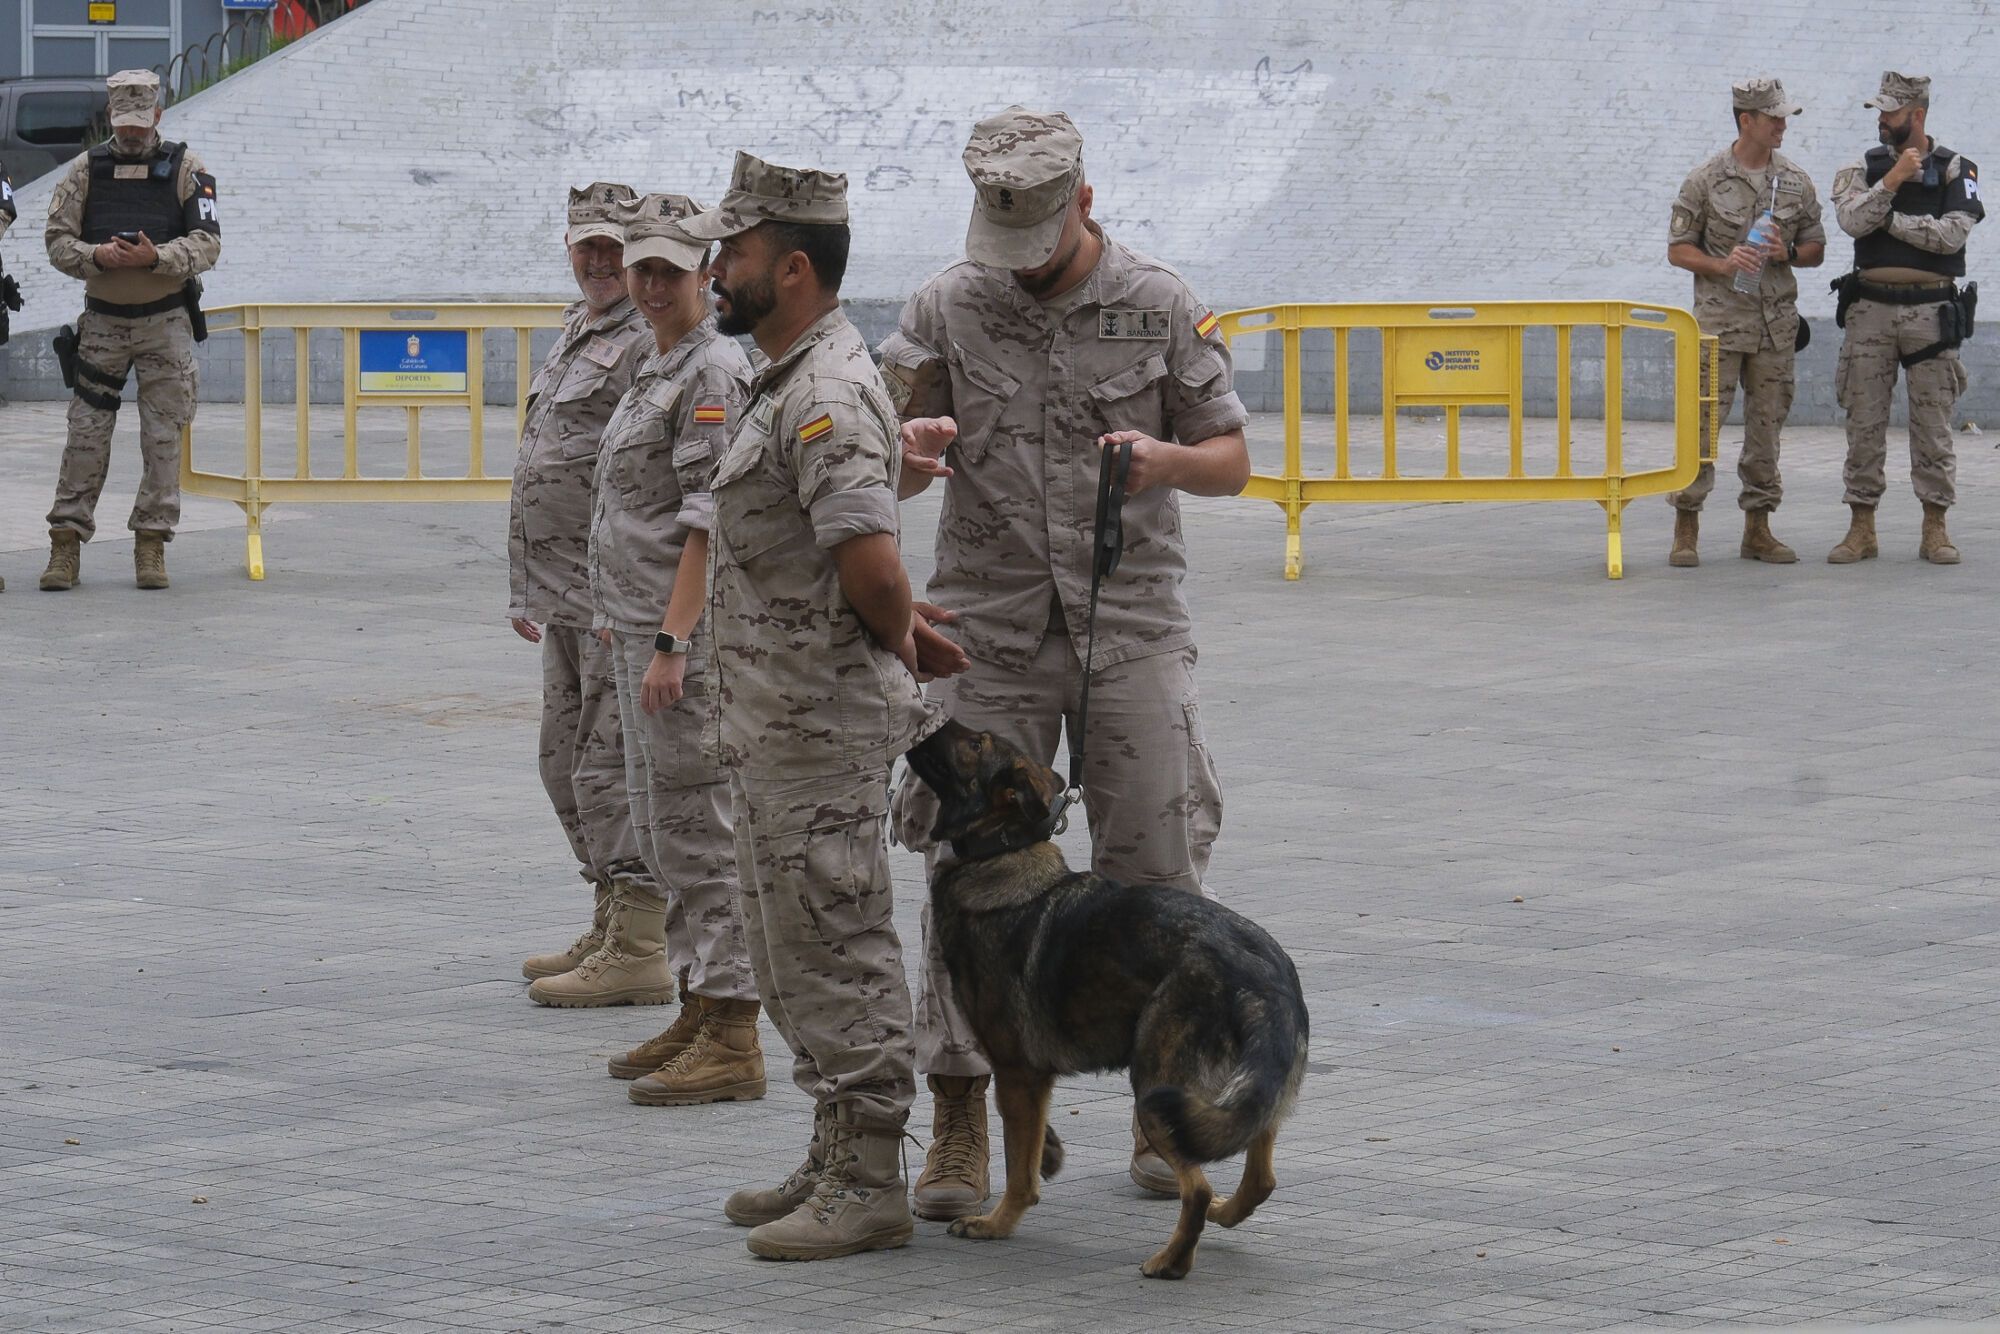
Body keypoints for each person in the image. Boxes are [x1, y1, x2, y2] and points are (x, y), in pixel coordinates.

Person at [877, 106, 1249, 1216]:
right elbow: (874, 473)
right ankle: (955, 1114)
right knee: (963, 879)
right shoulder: (944, 304)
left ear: (1083, 203)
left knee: (1152, 863)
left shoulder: (1157, 301)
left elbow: (1230, 459)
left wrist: (1166, 460)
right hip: (983, 628)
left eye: (1038, 236)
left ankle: (1160, 1092)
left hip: (1126, 623)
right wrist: (908, 453)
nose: (1018, 264)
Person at [678, 150, 945, 1261]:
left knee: (835, 939)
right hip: (770, 722)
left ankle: (872, 1172)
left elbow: (871, 560)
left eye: (730, 253)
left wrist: (896, 630)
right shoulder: (784, 378)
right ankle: (835, 1140)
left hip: (816, 725)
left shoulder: (826, 390)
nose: (712, 271)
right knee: (789, 941)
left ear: (791, 267)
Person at [584, 192, 763, 1105]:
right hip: (640, 632)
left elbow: (706, 523)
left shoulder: (712, 374)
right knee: (664, 830)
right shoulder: (659, 365)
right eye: (639, 268)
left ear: (708, 274)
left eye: (668, 270)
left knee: (701, 835)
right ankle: (698, 1002)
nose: (648, 285)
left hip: (680, 646)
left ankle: (734, 1030)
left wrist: (672, 640)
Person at [508, 182, 666, 1007]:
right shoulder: (581, 328)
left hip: (614, 596)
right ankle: (611, 912)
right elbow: (550, 456)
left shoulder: (650, 340)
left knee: (609, 768)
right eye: (588, 248)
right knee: (561, 763)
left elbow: (643, 475)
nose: (601, 263)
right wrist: (525, 585)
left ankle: (640, 942)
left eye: (616, 249)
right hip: (564, 591)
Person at [39, 70, 220, 593]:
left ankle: (151, 545)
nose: (134, 134)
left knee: (164, 437)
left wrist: (156, 257)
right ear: (111, 118)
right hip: (102, 326)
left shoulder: (189, 169)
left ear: (158, 116)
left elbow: (208, 243)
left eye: (142, 125)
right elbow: (56, 241)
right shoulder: (85, 171)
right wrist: (96, 255)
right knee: (85, 436)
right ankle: (65, 546)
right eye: (124, 125)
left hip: (166, 324)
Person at [1665, 78, 1826, 567]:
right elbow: (1677, 250)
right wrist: (1722, 264)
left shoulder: (1796, 180)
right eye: (1774, 117)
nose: (1782, 126)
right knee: (1701, 425)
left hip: (1776, 329)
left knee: (1767, 430)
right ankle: (1686, 527)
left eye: (1785, 117)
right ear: (1746, 121)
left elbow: (1817, 248)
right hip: (1720, 326)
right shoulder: (1705, 179)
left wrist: (1790, 252)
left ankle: (1758, 529)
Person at [1828, 71, 1983, 565]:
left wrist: (1889, 218)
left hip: (1931, 314)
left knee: (1933, 423)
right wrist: (1891, 183)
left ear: (1917, 115)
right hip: (1870, 311)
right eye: (1879, 111)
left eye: (1890, 112)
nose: (1881, 120)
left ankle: (1935, 527)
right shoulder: (1864, 166)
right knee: (1864, 421)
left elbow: (1952, 236)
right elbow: (1851, 221)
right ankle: (1861, 527)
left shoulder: (1957, 167)